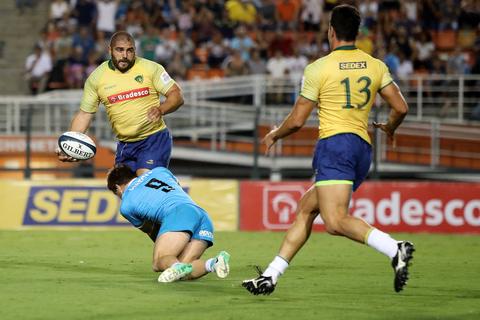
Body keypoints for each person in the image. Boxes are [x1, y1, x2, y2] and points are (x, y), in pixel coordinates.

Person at [242, 4, 414, 295]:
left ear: (331, 30)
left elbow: (297, 120)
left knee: (334, 222)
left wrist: (275, 134)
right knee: (308, 208)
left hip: (335, 145)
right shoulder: (375, 65)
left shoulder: (318, 68)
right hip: (361, 149)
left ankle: (395, 248)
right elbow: (400, 107)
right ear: (356, 32)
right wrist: (390, 127)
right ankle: (271, 275)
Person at [57, 31, 184, 176]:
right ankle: (167, 188)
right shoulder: (97, 77)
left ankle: (168, 192)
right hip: (125, 144)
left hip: (153, 139)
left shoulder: (151, 68)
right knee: (122, 191)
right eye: (119, 50)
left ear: (135, 51)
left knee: (145, 181)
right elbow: (85, 114)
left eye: (129, 50)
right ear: (110, 50)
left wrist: (161, 109)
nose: (124, 55)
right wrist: (69, 144)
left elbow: (177, 95)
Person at [107, 164, 231, 283]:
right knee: (184, 271)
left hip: (178, 215)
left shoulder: (126, 206)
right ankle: (214, 264)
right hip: (202, 215)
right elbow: (176, 188)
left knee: (159, 262)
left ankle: (176, 265)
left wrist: (169, 245)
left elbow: (151, 230)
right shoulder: (159, 171)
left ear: (117, 188)